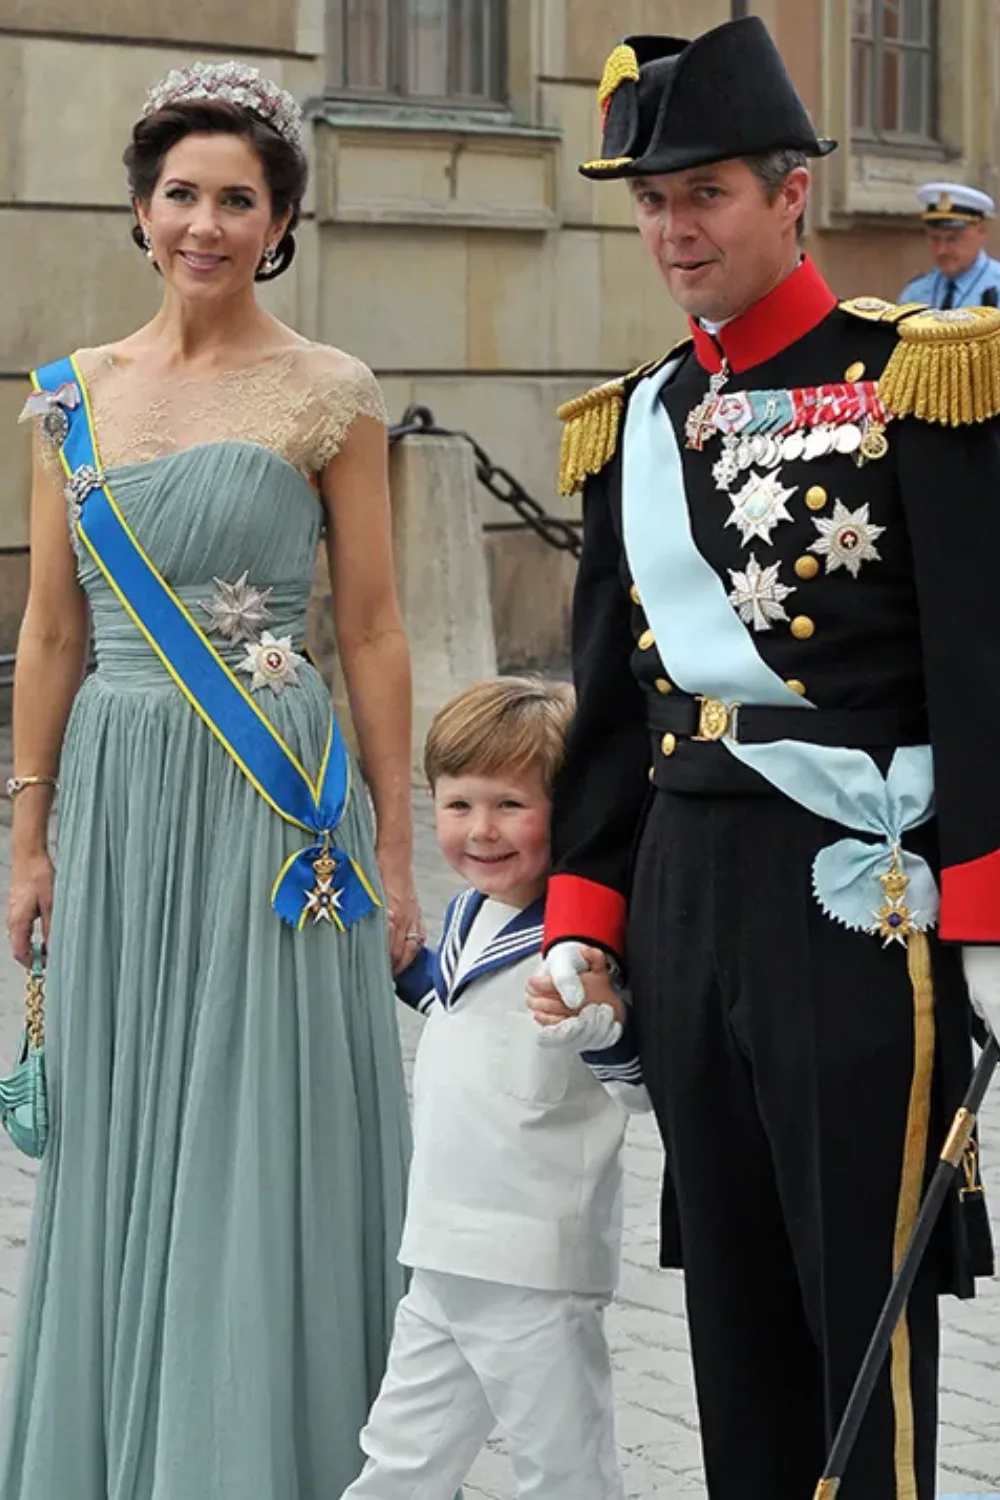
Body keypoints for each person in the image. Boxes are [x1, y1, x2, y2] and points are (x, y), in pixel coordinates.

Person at [532, 17, 999, 1500]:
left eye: (706, 193)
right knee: (727, 1299)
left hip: (853, 896)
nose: (674, 229)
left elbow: (986, 668)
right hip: (684, 891)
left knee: (864, 1292)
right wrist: (584, 919)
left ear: (792, 190)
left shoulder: (918, 381)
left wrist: (984, 915)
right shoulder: (637, 421)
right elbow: (609, 708)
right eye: (653, 200)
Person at [1, 61, 418, 1500]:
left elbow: (367, 623)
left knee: (255, 1122)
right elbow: (49, 630)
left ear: (281, 222)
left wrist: (400, 853)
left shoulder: (331, 393)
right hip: (117, 795)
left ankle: (257, 1453)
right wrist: (30, 836)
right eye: (182, 193)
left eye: (239, 197)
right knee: (127, 1121)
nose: (206, 222)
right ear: (140, 209)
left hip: (272, 806)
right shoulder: (68, 397)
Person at [341, 676, 648, 1500]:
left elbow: (638, 1078)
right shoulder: (473, 913)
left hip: (532, 1263)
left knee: (565, 1470)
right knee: (400, 1458)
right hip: (440, 1247)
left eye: (511, 805)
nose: (480, 831)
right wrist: (392, 965)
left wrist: (606, 1023)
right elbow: (459, 1003)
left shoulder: (586, 945)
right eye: (457, 804)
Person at [899, 181, 1000, 308]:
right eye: (935, 239)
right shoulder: (916, 294)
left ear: (981, 232)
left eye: (953, 239)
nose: (942, 250)